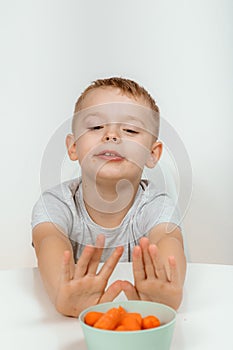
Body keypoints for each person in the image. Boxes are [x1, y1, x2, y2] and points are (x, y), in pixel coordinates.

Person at [32, 77, 186, 317]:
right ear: (73, 148)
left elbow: (170, 242)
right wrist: (62, 294)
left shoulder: (157, 205)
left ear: (152, 154)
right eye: (95, 127)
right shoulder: (55, 204)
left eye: (130, 130)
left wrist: (166, 290)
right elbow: (48, 243)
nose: (112, 135)